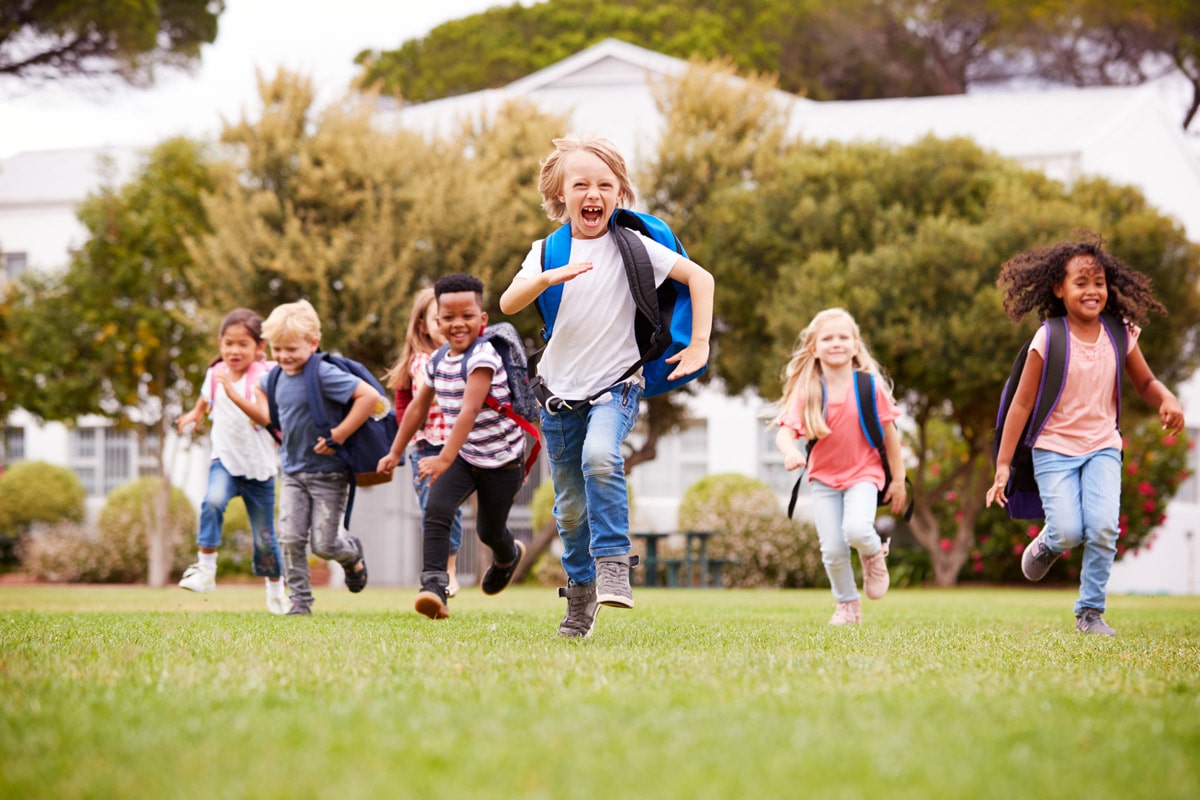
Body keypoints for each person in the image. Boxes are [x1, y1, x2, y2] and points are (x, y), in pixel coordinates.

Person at [498, 132, 714, 638]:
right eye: (580, 185)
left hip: (617, 383)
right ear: (560, 195)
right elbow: (509, 303)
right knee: (569, 507)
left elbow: (700, 279)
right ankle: (580, 594)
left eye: (604, 185)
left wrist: (700, 343)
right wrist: (548, 279)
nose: (592, 194)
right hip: (556, 392)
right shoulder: (546, 251)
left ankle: (615, 563)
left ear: (619, 194)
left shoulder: (635, 245)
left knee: (601, 455)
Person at [986, 237, 1185, 636]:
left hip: (1103, 447)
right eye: (1081, 282)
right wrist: (1003, 464)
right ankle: (1048, 542)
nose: (1092, 291)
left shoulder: (1121, 332)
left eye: (1099, 282)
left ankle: (1090, 611)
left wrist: (1165, 396)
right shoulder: (1049, 338)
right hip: (1053, 449)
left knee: (1104, 527)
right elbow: (1021, 406)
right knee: (1069, 531)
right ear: (1059, 289)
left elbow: (1144, 380)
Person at [378, 273, 528, 620]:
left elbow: (469, 410)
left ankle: (508, 556)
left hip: (501, 460)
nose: (458, 324)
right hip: (464, 455)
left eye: (467, 316)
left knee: (491, 530)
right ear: (438, 321)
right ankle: (433, 587)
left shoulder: (484, 355)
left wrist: (443, 458)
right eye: (448, 318)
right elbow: (417, 406)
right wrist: (396, 451)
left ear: (482, 319)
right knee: (437, 510)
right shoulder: (437, 360)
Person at [224, 299, 374, 616]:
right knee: (290, 539)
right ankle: (300, 603)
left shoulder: (323, 375)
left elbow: (369, 397)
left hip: (329, 474)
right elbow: (263, 393)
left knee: (325, 545)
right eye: (277, 349)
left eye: (291, 349)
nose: (283, 357)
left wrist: (339, 435)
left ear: (313, 343)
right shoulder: (275, 377)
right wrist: (263, 413)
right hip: (292, 473)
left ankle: (351, 556)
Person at [774, 308, 907, 626]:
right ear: (814, 348)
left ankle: (873, 553)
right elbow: (784, 433)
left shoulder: (869, 387)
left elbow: (891, 438)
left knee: (857, 530)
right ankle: (848, 606)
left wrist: (899, 480)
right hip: (824, 480)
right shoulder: (808, 391)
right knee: (833, 549)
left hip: (864, 473)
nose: (836, 343)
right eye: (828, 338)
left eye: (843, 337)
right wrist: (790, 451)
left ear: (856, 345)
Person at [175, 308, 286, 614]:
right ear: (220, 343)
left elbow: (264, 416)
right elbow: (204, 401)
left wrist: (234, 394)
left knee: (265, 539)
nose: (234, 350)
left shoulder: (262, 376)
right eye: (228, 343)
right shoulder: (215, 374)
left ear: (259, 348)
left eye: (243, 344)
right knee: (212, 502)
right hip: (224, 460)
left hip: (259, 470)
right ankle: (206, 570)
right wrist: (194, 415)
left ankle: (276, 591)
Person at [384, 288, 465, 596]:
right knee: (433, 508)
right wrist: (403, 441)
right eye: (440, 318)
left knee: (449, 509)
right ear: (423, 325)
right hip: (427, 446)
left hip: (460, 447)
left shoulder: (470, 358)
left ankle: (449, 568)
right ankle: (442, 572)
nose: (448, 325)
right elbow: (404, 408)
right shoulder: (416, 364)